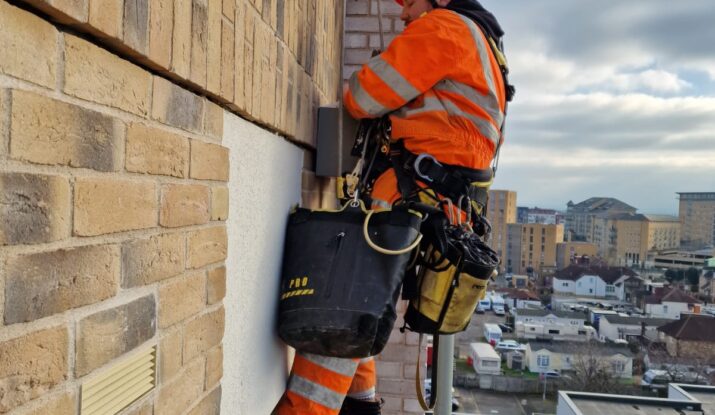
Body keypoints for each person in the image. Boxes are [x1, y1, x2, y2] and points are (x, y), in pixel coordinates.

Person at [275, 1, 510, 414]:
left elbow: (362, 97)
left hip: (404, 200)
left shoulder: (445, 29)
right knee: (365, 302)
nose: (403, 15)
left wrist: (385, 62)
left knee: (342, 309)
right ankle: (360, 404)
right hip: (434, 209)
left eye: (410, 3)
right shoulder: (486, 45)